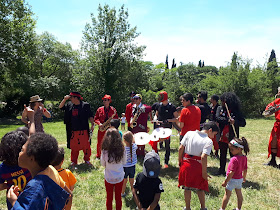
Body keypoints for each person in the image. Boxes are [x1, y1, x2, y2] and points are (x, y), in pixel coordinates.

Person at [7, 130, 71, 209]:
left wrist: (14, 201)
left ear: (31, 159)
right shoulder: (51, 170)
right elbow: (69, 195)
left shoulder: (34, 187)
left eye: (22, 150)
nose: (19, 153)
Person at [178, 121, 219, 210]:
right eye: (214, 134)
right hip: (197, 166)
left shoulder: (189, 133)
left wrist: (180, 161)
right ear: (210, 130)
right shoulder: (208, 141)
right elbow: (203, 157)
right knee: (200, 188)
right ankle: (203, 207)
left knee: (187, 187)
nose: (213, 137)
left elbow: (180, 148)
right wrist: (204, 173)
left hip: (186, 164)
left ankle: (187, 208)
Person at [59, 92, 95, 167]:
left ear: (76, 98)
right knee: (74, 147)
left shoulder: (85, 105)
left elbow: (90, 115)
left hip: (83, 130)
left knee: (86, 146)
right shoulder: (69, 105)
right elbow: (60, 107)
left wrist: (92, 124)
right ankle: (74, 161)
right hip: (73, 130)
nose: (70, 99)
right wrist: (65, 99)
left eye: (71, 97)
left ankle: (87, 160)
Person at [216, 92, 246, 175]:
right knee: (222, 153)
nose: (222, 103)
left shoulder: (236, 111)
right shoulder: (220, 108)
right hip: (222, 135)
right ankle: (221, 170)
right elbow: (218, 118)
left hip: (232, 135)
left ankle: (234, 171)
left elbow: (243, 123)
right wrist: (227, 121)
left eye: (224, 101)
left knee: (233, 153)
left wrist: (235, 122)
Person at [0, 131, 32, 210]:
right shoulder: (28, 163)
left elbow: (0, 186)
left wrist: (9, 185)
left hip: (13, 199)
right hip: (32, 196)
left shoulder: (2, 168)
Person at [220, 137, 249, 210]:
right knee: (239, 194)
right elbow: (245, 169)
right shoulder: (244, 158)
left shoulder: (234, 159)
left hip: (232, 180)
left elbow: (231, 172)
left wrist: (226, 181)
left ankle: (222, 209)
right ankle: (238, 208)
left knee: (227, 195)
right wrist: (244, 178)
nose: (231, 151)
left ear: (239, 149)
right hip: (239, 179)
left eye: (232, 149)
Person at [101, 128, 126, 210]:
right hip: (119, 177)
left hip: (109, 178)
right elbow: (124, 162)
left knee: (109, 198)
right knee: (118, 197)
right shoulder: (123, 149)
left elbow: (102, 164)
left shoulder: (104, 151)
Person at [153, 91, 178, 168]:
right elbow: (156, 115)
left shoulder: (172, 107)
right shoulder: (158, 106)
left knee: (167, 145)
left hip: (167, 128)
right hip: (159, 127)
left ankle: (166, 162)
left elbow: (176, 118)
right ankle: (156, 160)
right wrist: (155, 120)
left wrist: (168, 120)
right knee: (155, 143)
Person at [94, 94, 119, 159]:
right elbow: (96, 118)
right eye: (103, 100)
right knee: (100, 142)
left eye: (106, 100)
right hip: (102, 128)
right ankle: (99, 155)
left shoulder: (113, 109)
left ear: (109, 101)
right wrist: (99, 124)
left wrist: (112, 124)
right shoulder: (99, 109)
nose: (104, 101)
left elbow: (116, 118)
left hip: (110, 128)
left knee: (110, 141)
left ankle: (109, 154)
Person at [264, 88, 280, 167]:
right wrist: (270, 110)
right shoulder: (276, 101)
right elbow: (266, 112)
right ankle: (273, 161)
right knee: (273, 142)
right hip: (277, 125)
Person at [121, 131, 137, 197]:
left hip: (124, 167)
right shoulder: (135, 146)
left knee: (124, 181)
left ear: (124, 140)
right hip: (132, 166)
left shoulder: (123, 149)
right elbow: (134, 143)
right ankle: (134, 194)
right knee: (132, 181)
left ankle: (122, 193)